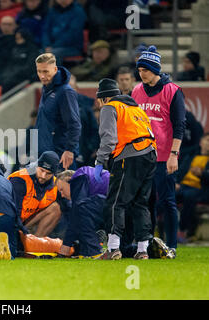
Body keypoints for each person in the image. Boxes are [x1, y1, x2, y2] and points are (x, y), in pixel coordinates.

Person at [94, 78, 157, 260]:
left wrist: (100, 161)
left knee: (115, 202)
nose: (99, 105)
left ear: (104, 98)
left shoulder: (109, 107)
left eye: (99, 101)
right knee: (140, 203)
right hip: (150, 154)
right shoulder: (136, 109)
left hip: (130, 155)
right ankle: (142, 250)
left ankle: (113, 249)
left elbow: (109, 139)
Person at [131, 45, 186, 253]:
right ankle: (148, 243)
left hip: (164, 156)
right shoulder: (137, 90)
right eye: (140, 70)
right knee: (146, 201)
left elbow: (179, 125)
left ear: (154, 68)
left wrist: (174, 154)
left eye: (145, 69)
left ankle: (171, 245)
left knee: (167, 202)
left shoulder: (173, 91)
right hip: (142, 155)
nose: (141, 73)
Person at [34, 53, 81, 170]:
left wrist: (69, 150)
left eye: (45, 71)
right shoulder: (46, 89)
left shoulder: (65, 92)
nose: (42, 76)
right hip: (46, 153)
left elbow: (74, 123)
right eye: (39, 71)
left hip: (61, 155)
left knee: (65, 187)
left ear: (55, 69)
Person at [8, 151, 62, 237]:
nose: (43, 176)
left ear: (54, 174)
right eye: (41, 170)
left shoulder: (56, 184)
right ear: (36, 166)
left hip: (26, 220)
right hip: (10, 218)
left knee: (56, 208)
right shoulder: (20, 179)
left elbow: (69, 207)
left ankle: (34, 243)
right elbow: (13, 210)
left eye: (48, 173)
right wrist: (19, 229)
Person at [176, 133, 209, 242]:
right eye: (207, 140)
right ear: (201, 142)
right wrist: (175, 183)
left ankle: (183, 230)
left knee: (189, 196)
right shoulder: (191, 156)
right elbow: (179, 171)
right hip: (183, 186)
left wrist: (202, 174)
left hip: (201, 189)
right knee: (166, 195)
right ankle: (158, 230)